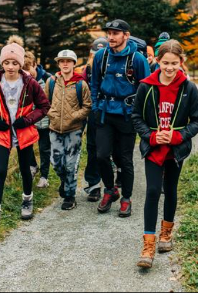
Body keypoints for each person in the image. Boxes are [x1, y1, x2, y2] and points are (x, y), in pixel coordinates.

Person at [132, 40, 198, 269]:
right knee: (153, 191)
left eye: (174, 63)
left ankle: (166, 234)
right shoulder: (146, 86)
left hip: (175, 150)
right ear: (158, 62)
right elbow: (136, 117)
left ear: (181, 62)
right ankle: (148, 245)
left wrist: (177, 136)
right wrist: (151, 137)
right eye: (165, 63)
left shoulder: (188, 88)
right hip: (153, 148)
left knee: (171, 190)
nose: (170, 68)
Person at [0, 42, 50, 237]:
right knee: (1, 170)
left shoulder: (30, 83)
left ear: (20, 64)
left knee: (26, 169)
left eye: (14, 63)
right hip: (2, 133)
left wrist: (27, 120)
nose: (10, 67)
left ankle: (27, 199)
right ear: (2, 63)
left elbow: (43, 106)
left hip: (23, 132)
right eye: (7, 62)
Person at [91, 19, 150, 217]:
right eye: (109, 33)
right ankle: (110, 190)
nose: (111, 37)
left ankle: (126, 198)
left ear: (126, 35)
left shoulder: (137, 59)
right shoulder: (102, 55)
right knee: (101, 155)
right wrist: (95, 106)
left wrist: (139, 114)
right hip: (105, 112)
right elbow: (95, 83)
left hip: (127, 115)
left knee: (124, 159)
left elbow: (146, 88)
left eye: (115, 33)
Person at [46, 50, 92, 210]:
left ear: (74, 63)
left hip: (74, 130)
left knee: (71, 165)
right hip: (54, 129)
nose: (65, 63)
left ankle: (70, 196)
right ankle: (65, 182)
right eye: (62, 61)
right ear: (58, 64)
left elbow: (87, 106)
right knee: (56, 162)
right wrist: (51, 113)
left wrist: (74, 116)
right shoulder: (51, 82)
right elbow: (44, 102)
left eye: (68, 61)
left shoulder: (81, 84)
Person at [82, 38, 108, 202]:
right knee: (92, 147)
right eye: (95, 53)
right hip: (92, 111)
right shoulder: (87, 70)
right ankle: (93, 184)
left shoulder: (112, 67)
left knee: (105, 150)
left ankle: (110, 184)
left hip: (110, 111)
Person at [23, 57, 51, 188]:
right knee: (27, 145)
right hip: (29, 120)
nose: (27, 73)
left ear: (35, 65)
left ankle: (44, 177)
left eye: (28, 69)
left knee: (44, 148)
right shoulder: (23, 80)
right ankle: (33, 165)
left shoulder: (47, 79)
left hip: (45, 120)